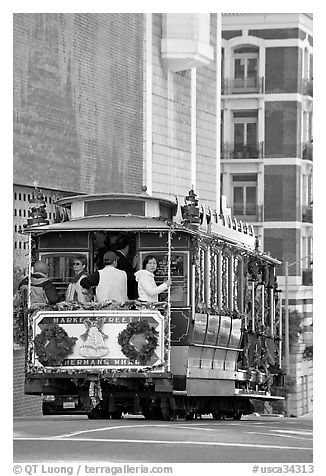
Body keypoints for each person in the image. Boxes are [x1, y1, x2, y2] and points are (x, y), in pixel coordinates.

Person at [114, 235, 138, 300]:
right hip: (123, 291)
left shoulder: (115, 256)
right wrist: (133, 266)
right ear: (127, 247)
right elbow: (129, 276)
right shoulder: (122, 260)